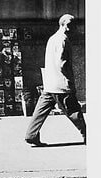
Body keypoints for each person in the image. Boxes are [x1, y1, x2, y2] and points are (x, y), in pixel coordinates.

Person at [24, 14, 86, 146]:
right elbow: (61, 63)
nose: (73, 28)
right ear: (63, 25)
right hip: (62, 84)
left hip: (50, 83)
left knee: (40, 111)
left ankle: (31, 135)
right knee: (74, 111)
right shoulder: (63, 40)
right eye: (70, 25)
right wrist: (69, 81)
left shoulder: (52, 39)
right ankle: (89, 136)